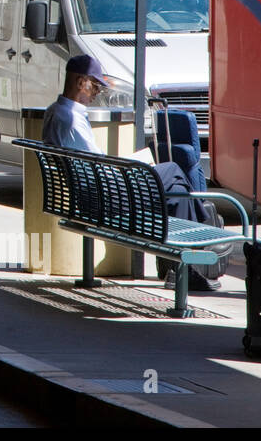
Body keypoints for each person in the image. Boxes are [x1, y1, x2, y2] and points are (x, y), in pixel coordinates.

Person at [42, 54, 221, 292]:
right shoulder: (72, 119)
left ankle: (182, 267)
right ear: (79, 82)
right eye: (94, 85)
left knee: (176, 190)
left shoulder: (54, 111)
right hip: (100, 200)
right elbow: (100, 169)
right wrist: (131, 167)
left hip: (82, 197)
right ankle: (190, 249)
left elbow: (92, 163)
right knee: (174, 170)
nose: (96, 92)